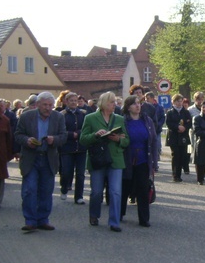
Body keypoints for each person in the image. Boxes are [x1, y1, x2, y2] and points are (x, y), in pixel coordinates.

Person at [15, 92, 67, 232]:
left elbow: (63, 137)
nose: (48, 108)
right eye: (45, 105)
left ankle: (43, 219)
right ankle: (30, 220)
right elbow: (17, 135)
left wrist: (53, 140)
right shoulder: (26, 117)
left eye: (50, 105)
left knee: (46, 190)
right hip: (31, 157)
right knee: (30, 189)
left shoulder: (58, 117)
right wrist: (27, 141)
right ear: (37, 105)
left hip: (48, 158)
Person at [80, 92, 128, 232]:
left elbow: (127, 140)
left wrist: (118, 139)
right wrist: (95, 135)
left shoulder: (119, 119)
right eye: (112, 102)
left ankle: (114, 221)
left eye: (115, 102)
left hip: (115, 159)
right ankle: (94, 215)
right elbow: (83, 139)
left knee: (115, 192)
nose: (115, 104)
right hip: (98, 159)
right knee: (96, 192)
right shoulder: (90, 118)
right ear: (104, 103)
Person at [120, 95, 157, 227]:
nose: (138, 106)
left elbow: (153, 142)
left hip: (143, 159)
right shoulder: (123, 121)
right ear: (128, 107)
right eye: (134, 104)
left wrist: (154, 163)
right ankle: (119, 213)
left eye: (139, 103)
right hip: (127, 159)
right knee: (125, 187)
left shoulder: (146, 120)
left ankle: (144, 218)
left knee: (143, 189)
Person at [59, 92, 88, 204]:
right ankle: (64, 188)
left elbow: (86, 128)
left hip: (81, 148)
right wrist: (71, 135)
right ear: (66, 102)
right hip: (67, 148)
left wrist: (79, 133)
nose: (74, 103)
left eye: (75, 101)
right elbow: (60, 131)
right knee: (66, 172)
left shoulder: (83, 114)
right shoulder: (62, 115)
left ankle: (79, 196)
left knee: (80, 174)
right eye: (71, 100)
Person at [165, 94, 192, 183]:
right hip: (174, 136)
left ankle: (179, 174)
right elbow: (169, 123)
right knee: (175, 155)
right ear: (173, 102)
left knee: (182, 156)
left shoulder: (186, 112)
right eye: (177, 101)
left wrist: (184, 127)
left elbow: (189, 123)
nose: (179, 103)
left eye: (180, 101)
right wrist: (177, 127)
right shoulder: (170, 112)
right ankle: (175, 175)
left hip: (183, 136)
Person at [145, 91, 165, 169]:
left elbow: (162, 118)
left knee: (157, 146)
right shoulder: (144, 107)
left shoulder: (159, 107)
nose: (146, 100)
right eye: (145, 98)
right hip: (147, 130)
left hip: (157, 131)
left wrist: (158, 125)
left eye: (148, 98)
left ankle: (155, 162)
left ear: (153, 99)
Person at [187, 92, 205, 174]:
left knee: (203, 152)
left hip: (204, 133)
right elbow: (188, 122)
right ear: (194, 99)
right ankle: (197, 170)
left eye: (201, 99)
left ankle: (202, 170)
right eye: (198, 99)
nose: (200, 101)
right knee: (194, 151)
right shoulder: (190, 110)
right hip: (193, 134)